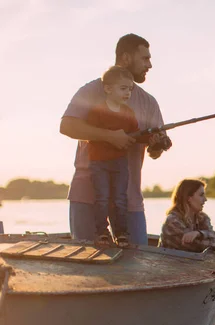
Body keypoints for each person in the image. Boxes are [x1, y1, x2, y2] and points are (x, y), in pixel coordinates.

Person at [60, 33, 171, 245]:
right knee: (86, 266)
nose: (150, 65)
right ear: (126, 58)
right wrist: (110, 136)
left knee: (136, 264)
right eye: (145, 58)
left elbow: (154, 153)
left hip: (129, 197)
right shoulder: (92, 90)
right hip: (88, 193)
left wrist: (157, 146)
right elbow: (67, 126)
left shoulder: (149, 102)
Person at [87, 66, 139, 247]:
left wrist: (156, 138)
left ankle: (121, 233)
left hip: (120, 162)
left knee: (119, 197)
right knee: (102, 197)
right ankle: (101, 231)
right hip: (98, 162)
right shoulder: (96, 111)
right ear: (108, 89)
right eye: (123, 88)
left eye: (130, 89)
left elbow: (137, 135)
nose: (128, 93)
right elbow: (89, 134)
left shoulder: (129, 113)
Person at [159, 179, 215, 253]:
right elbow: (199, 246)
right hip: (168, 266)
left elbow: (214, 238)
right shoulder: (172, 221)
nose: (205, 199)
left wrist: (199, 233)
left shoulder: (202, 218)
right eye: (201, 195)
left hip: (189, 266)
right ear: (189, 198)